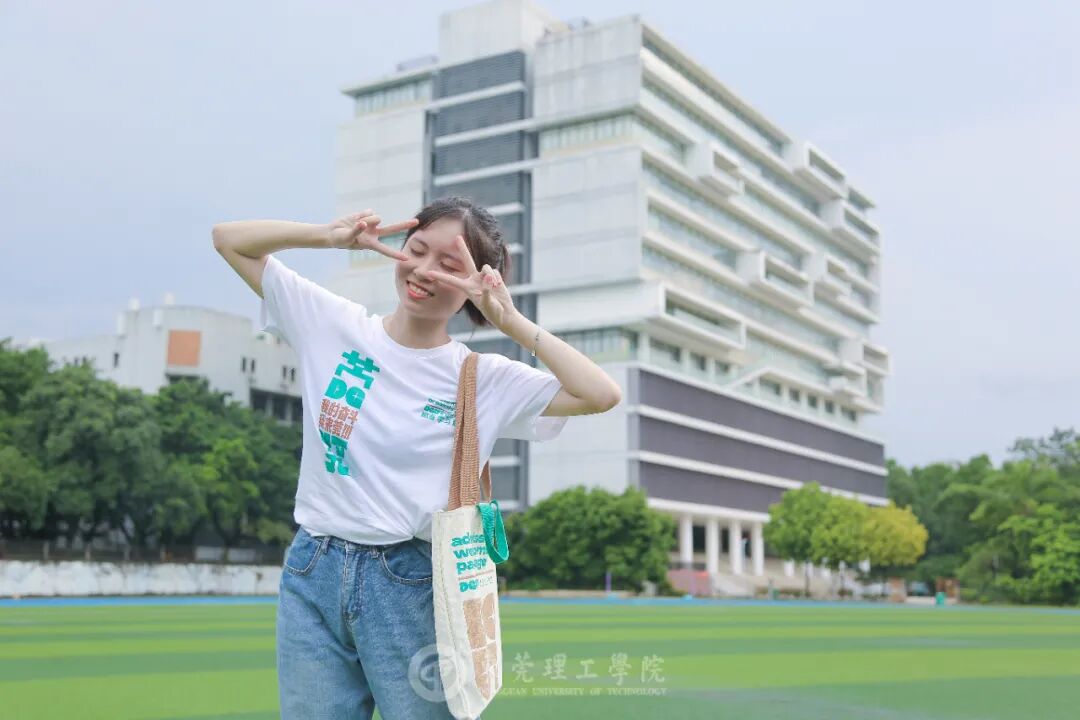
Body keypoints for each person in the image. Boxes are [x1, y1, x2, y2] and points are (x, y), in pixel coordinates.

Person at [212, 196, 622, 720]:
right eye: (417, 249)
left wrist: (510, 319)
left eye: (449, 265)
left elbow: (600, 393)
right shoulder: (332, 324)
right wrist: (328, 237)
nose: (424, 270)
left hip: (410, 580)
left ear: (474, 285)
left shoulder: (483, 377)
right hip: (313, 564)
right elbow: (229, 240)